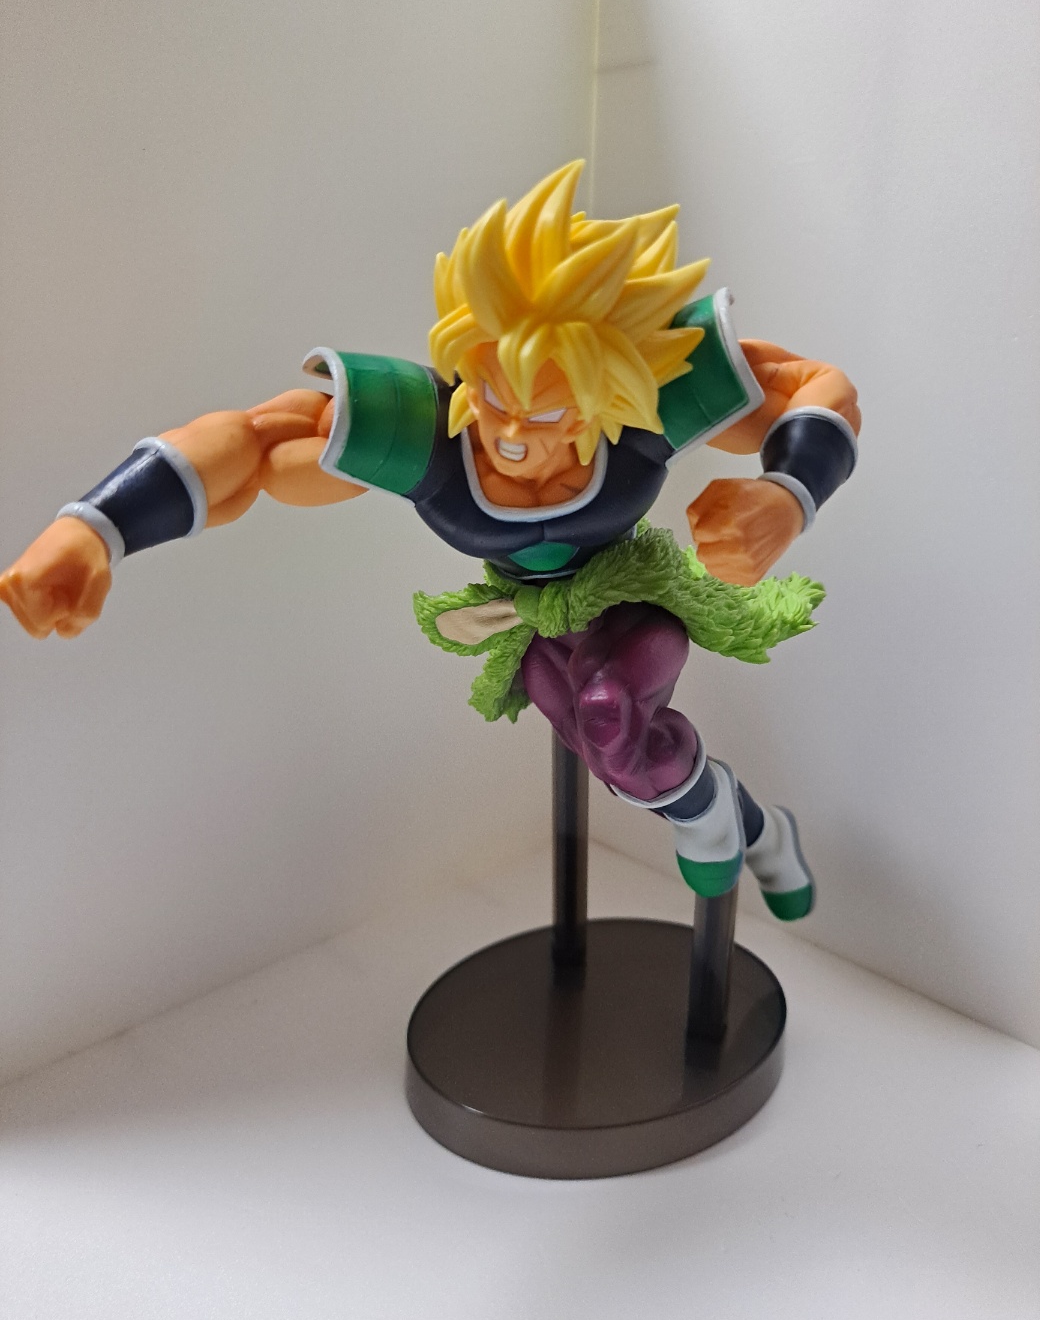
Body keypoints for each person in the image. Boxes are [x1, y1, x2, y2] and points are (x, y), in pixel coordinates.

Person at [0, 162, 859, 920]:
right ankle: (744, 822)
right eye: (490, 391)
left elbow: (812, 387)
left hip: (634, 602)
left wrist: (787, 494)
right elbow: (255, 445)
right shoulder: (426, 436)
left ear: (602, 393)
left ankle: (713, 826)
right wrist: (95, 527)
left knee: (612, 721)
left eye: (545, 411)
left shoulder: (646, 405)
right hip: (533, 627)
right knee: (609, 748)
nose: (507, 431)